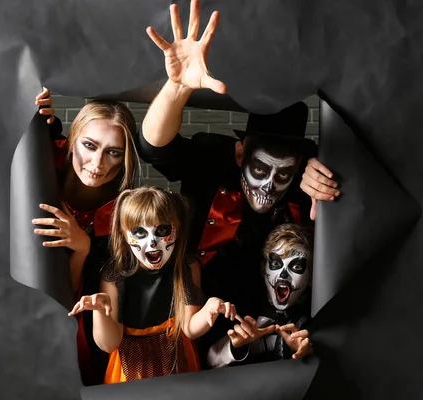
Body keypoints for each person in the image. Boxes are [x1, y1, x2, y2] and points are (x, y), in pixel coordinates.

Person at [139, 0, 338, 366]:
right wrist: (176, 87)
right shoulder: (214, 159)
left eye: (283, 174)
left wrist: (323, 184)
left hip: (266, 327)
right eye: (260, 171)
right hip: (191, 312)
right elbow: (155, 148)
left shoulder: (302, 185)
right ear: (239, 153)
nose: (269, 185)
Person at [68, 186, 238, 383]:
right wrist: (100, 312)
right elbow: (109, 344)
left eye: (162, 230)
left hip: (177, 356)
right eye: (140, 232)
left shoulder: (186, 266)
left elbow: (190, 328)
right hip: (132, 365)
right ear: (124, 234)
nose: (152, 243)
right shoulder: (114, 275)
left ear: (178, 228)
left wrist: (209, 310)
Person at [30, 88, 139, 385]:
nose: (98, 163)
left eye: (114, 152)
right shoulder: (40, 165)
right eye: (89, 145)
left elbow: (79, 303)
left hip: (75, 326)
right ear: (73, 138)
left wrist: (82, 249)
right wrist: (40, 114)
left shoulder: (122, 216)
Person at [207, 223, 313, 367]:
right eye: (276, 263)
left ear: (311, 277)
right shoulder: (242, 309)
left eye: (296, 267)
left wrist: (306, 355)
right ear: (263, 269)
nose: (283, 275)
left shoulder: (315, 318)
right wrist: (236, 346)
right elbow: (209, 362)